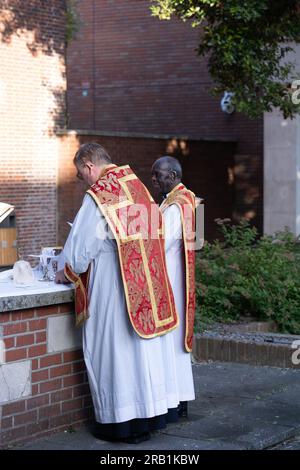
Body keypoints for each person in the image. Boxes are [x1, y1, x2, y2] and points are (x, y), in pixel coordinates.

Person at [55, 143, 180, 444]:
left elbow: (80, 250)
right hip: (143, 287)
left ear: (88, 165)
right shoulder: (137, 187)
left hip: (113, 287)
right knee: (139, 355)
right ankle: (146, 420)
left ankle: (119, 425)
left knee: (112, 353)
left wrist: (63, 270)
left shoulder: (100, 195)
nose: (81, 180)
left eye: (79, 173)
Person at [151, 156, 196, 419]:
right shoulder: (182, 199)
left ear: (173, 176)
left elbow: (160, 242)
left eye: (158, 175)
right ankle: (178, 398)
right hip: (176, 275)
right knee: (174, 343)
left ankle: (173, 400)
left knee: (170, 341)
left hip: (170, 277)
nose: (154, 179)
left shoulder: (176, 205)